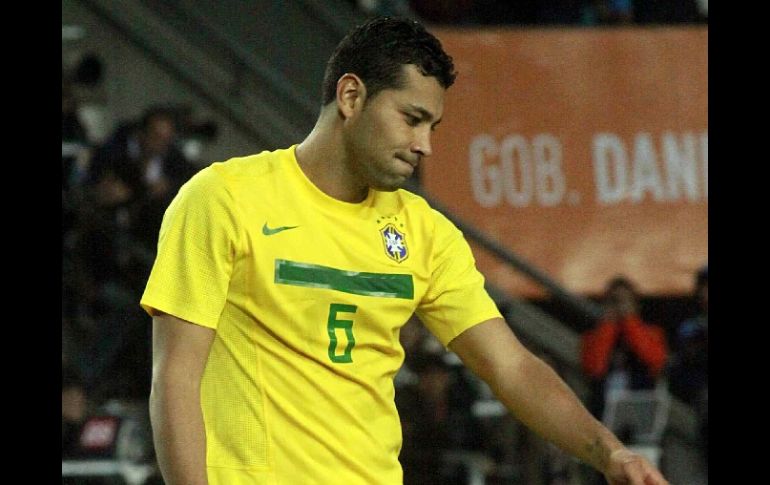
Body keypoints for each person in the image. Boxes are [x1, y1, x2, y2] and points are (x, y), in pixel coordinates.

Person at [141, 16, 669, 485]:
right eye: (411, 118)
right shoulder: (223, 199)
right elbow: (176, 378)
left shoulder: (425, 232)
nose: (425, 145)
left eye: (432, 127)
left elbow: (510, 367)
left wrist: (610, 452)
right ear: (351, 97)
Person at [581, 276, 669, 421]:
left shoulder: (652, 332)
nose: (619, 306)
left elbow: (653, 360)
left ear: (636, 304)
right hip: (602, 412)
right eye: (614, 301)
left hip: (639, 409)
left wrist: (629, 321)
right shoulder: (593, 336)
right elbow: (594, 369)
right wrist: (608, 324)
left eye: (625, 300)